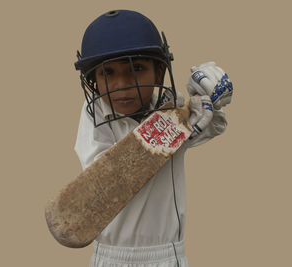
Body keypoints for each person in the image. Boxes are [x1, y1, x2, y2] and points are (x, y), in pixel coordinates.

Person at [73, 9, 233, 267]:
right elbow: (106, 179)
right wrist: (169, 128)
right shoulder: (96, 113)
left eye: (136, 68)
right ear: (93, 80)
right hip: (112, 256)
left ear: (159, 73)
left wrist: (211, 98)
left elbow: (213, 126)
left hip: (167, 255)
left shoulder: (171, 106)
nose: (122, 84)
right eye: (108, 73)